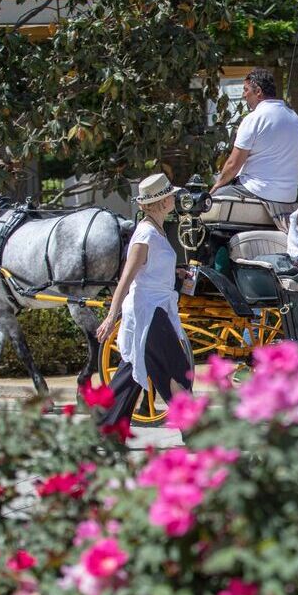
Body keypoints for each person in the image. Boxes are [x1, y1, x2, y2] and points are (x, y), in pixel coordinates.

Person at [95, 174, 193, 425]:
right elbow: (126, 280)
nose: (174, 197)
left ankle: (105, 430)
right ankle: (195, 431)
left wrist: (174, 272)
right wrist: (110, 316)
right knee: (177, 369)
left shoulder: (156, 230)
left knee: (131, 372)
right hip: (148, 313)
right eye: (170, 195)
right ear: (160, 202)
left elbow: (150, 269)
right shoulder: (145, 236)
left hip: (156, 308)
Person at [210, 67, 298, 229]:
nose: (243, 95)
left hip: (257, 190)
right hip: (288, 195)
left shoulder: (254, 118)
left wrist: (215, 187)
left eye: (246, 90)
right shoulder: (295, 119)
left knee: (207, 204)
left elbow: (233, 164)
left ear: (259, 92)